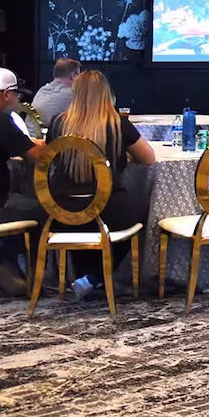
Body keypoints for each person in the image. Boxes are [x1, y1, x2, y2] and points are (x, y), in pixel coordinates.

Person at [45, 70, 156, 291]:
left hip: (62, 213)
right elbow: (149, 159)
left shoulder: (58, 123)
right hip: (107, 213)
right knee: (144, 211)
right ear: (107, 93)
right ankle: (94, 277)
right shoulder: (117, 124)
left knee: (86, 214)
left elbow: (51, 159)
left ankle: (84, 276)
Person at [0, 68, 47, 296]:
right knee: (46, 211)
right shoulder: (0, 121)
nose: (17, 101)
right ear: (6, 94)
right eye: (17, 96)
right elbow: (35, 157)